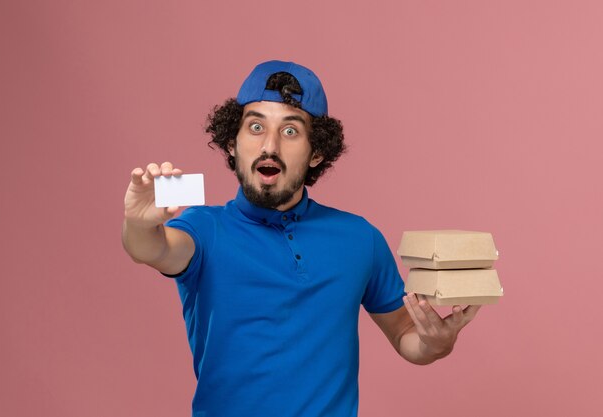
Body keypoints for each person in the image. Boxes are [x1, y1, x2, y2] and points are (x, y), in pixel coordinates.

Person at [122, 60, 480, 417]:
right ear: (232, 143)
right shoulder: (203, 228)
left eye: (290, 131)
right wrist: (139, 224)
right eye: (256, 126)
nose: (270, 145)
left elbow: (405, 334)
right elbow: (154, 248)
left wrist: (437, 343)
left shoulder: (360, 238)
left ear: (317, 152)